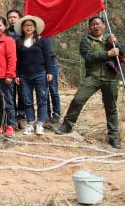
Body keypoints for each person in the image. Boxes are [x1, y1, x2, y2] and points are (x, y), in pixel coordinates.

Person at [56, 16, 123, 149]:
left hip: (110, 78)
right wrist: (107, 54)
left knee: (111, 107)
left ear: (104, 26)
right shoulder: (86, 40)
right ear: (90, 27)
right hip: (92, 77)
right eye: (93, 25)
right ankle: (67, 125)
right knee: (78, 100)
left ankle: (113, 136)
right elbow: (88, 56)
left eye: (98, 24)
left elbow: (121, 53)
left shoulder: (110, 40)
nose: (96, 26)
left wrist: (116, 43)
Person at [14, 15, 53, 136]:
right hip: (25, 75)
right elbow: (17, 60)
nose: (29, 27)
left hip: (40, 73)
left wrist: (49, 72)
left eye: (31, 25)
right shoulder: (19, 42)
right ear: (22, 28)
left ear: (35, 27)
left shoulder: (43, 40)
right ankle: (30, 123)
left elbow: (48, 57)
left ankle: (40, 123)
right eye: (26, 25)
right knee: (27, 100)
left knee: (42, 99)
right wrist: (17, 74)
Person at [6, 8, 26, 130]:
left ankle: (21, 116)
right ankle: (11, 117)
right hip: (10, 67)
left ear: (19, 18)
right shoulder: (5, 33)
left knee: (23, 93)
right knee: (10, 93)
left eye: (14, 17)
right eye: (10, 17)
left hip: (23, 66)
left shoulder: (24, 32)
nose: (12, 19)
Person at [46, 38, 61, 123]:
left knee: (53, 89)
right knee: (44, 91)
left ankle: (56, 113)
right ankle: (46, 114)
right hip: (40, 61)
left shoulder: (49, 30)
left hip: (51, 60)